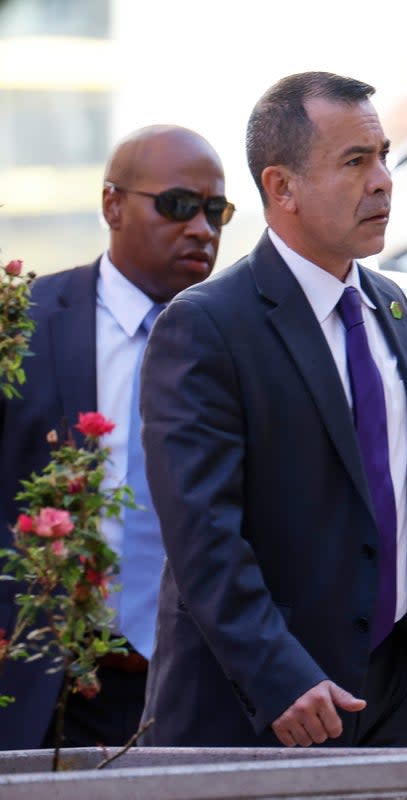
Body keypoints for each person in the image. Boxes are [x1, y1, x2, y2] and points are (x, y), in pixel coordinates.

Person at [137, 71, 407, 748]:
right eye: (354, 161)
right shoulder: (205, 326)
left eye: (383, 155)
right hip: (270, 707)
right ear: (280, 187)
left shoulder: (393, 308)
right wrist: (278, 675)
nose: (382, 180)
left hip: (400, 695)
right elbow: (203, 535)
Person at [0, 125, 229, 749]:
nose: (202, 229)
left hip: (196, 686)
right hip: (43, 683)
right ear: (112, 205)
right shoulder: (24, 321)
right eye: (179, 205)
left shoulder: (240, 338)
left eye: (216, 211)